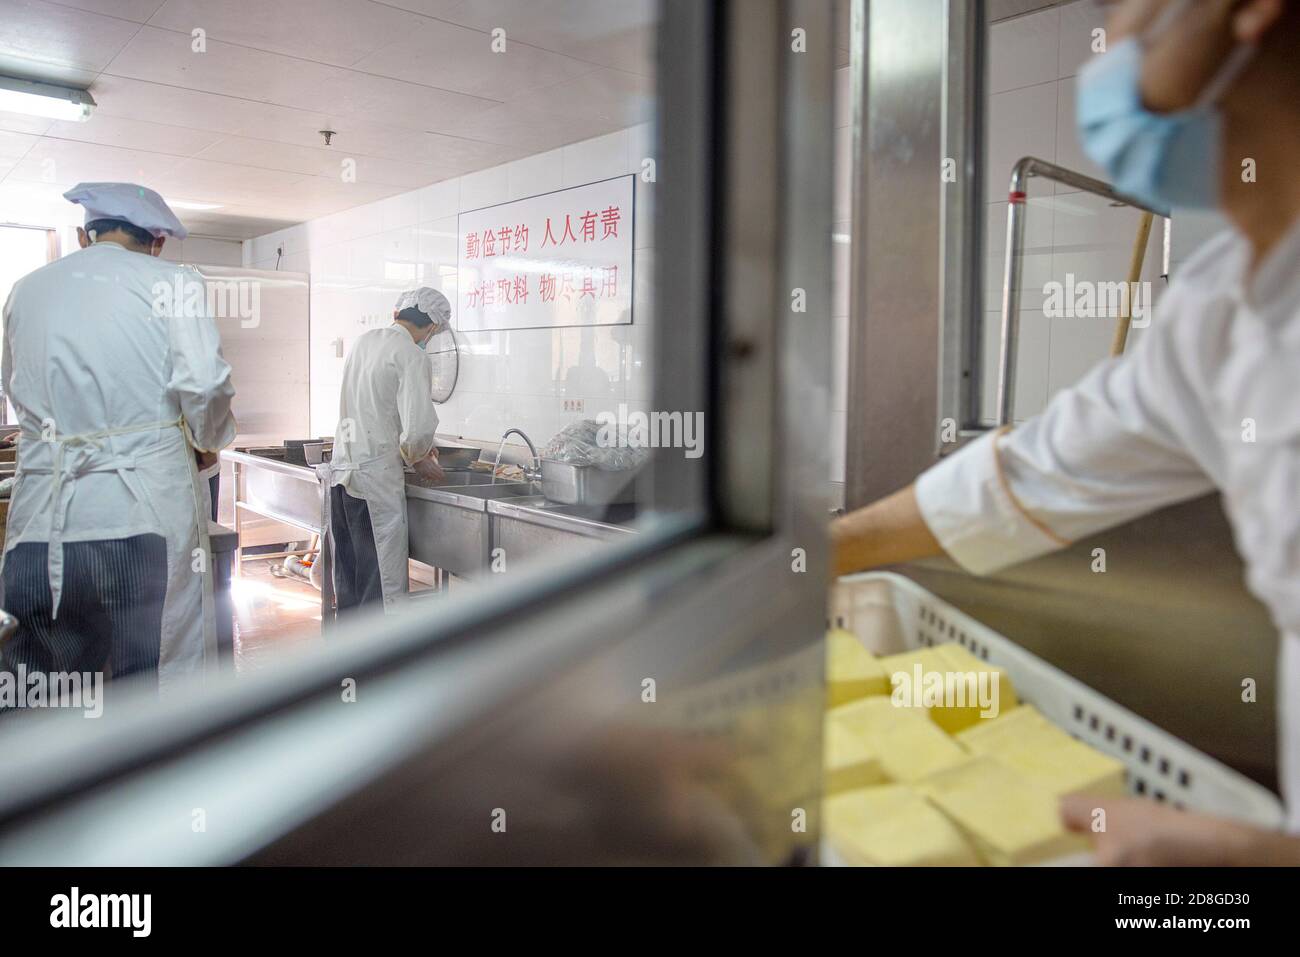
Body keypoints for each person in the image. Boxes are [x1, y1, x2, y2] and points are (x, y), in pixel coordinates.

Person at [834, 0, 1300, 865]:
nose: (1109, 45)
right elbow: (1025, 477)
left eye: (1125, 11)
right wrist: (816, 558)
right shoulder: (1223, 310)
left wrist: (1257, 865)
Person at [0, 182, 236, 692]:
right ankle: (152, 768)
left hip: (42, 521)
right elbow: (204, 383)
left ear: (86, 238)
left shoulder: (27, 289)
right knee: (150, 677)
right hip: (141, 516)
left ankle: (57, 773)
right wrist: (207, 439)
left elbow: (13, 387)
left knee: (44, 686)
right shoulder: (173, 282)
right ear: (157, 241)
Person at [327, 287, 447, 613]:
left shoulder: (365, 341)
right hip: (374, 483)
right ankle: (377, 658)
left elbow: (374, 407)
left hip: (342, 473)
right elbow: (418, 426)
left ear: (399, 313)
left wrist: (413, 448)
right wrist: (419, 456)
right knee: (377, 581)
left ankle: (350, 658)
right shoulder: (411, 354)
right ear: (433, 327)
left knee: (349, 576)